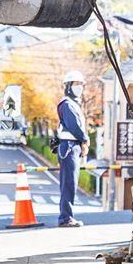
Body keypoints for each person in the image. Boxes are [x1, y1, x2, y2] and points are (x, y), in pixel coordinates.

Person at [56, 70, 89, 227]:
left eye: (81, 84)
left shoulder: (73, 104)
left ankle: (67, 216)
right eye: (76, 84)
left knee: (70, 182)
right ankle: (65, 218)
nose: (80, 87)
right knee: (68, 182)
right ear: (68, 86)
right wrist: (85, 140)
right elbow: (74, 126)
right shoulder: (68, 104)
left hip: (71, 146)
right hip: (69, 146)